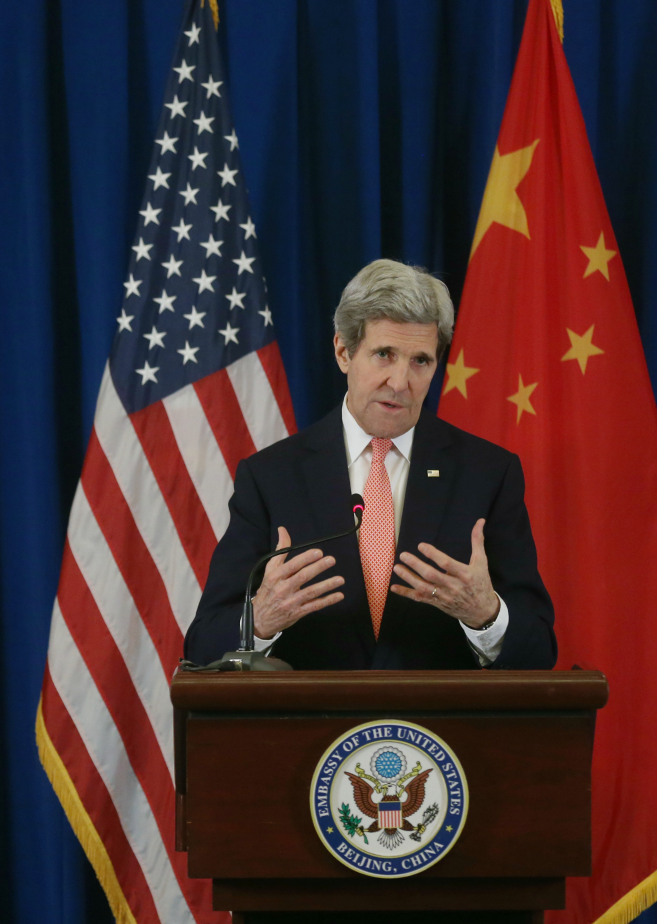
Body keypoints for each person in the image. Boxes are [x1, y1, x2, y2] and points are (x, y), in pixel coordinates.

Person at [182, 259, 555, 670]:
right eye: (384, 354)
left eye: (420, 361)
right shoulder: (271, 478)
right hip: (313, 730)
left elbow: (539, 649)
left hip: (439, 730)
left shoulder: (488, 475)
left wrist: (486, 616)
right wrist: (262, 621)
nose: (400, 382)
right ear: (343, 351)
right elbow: (203, 646)